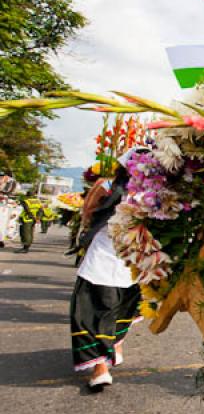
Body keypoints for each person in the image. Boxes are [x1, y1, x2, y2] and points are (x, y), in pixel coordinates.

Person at [70, 150, 142, 392]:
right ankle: (102, 363)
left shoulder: (151, 189)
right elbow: (89, 213)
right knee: (100, 308)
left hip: (131, 256)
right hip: (108, 254)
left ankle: (110, 351)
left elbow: (87, 215)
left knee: (118, 307)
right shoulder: (110, 186)